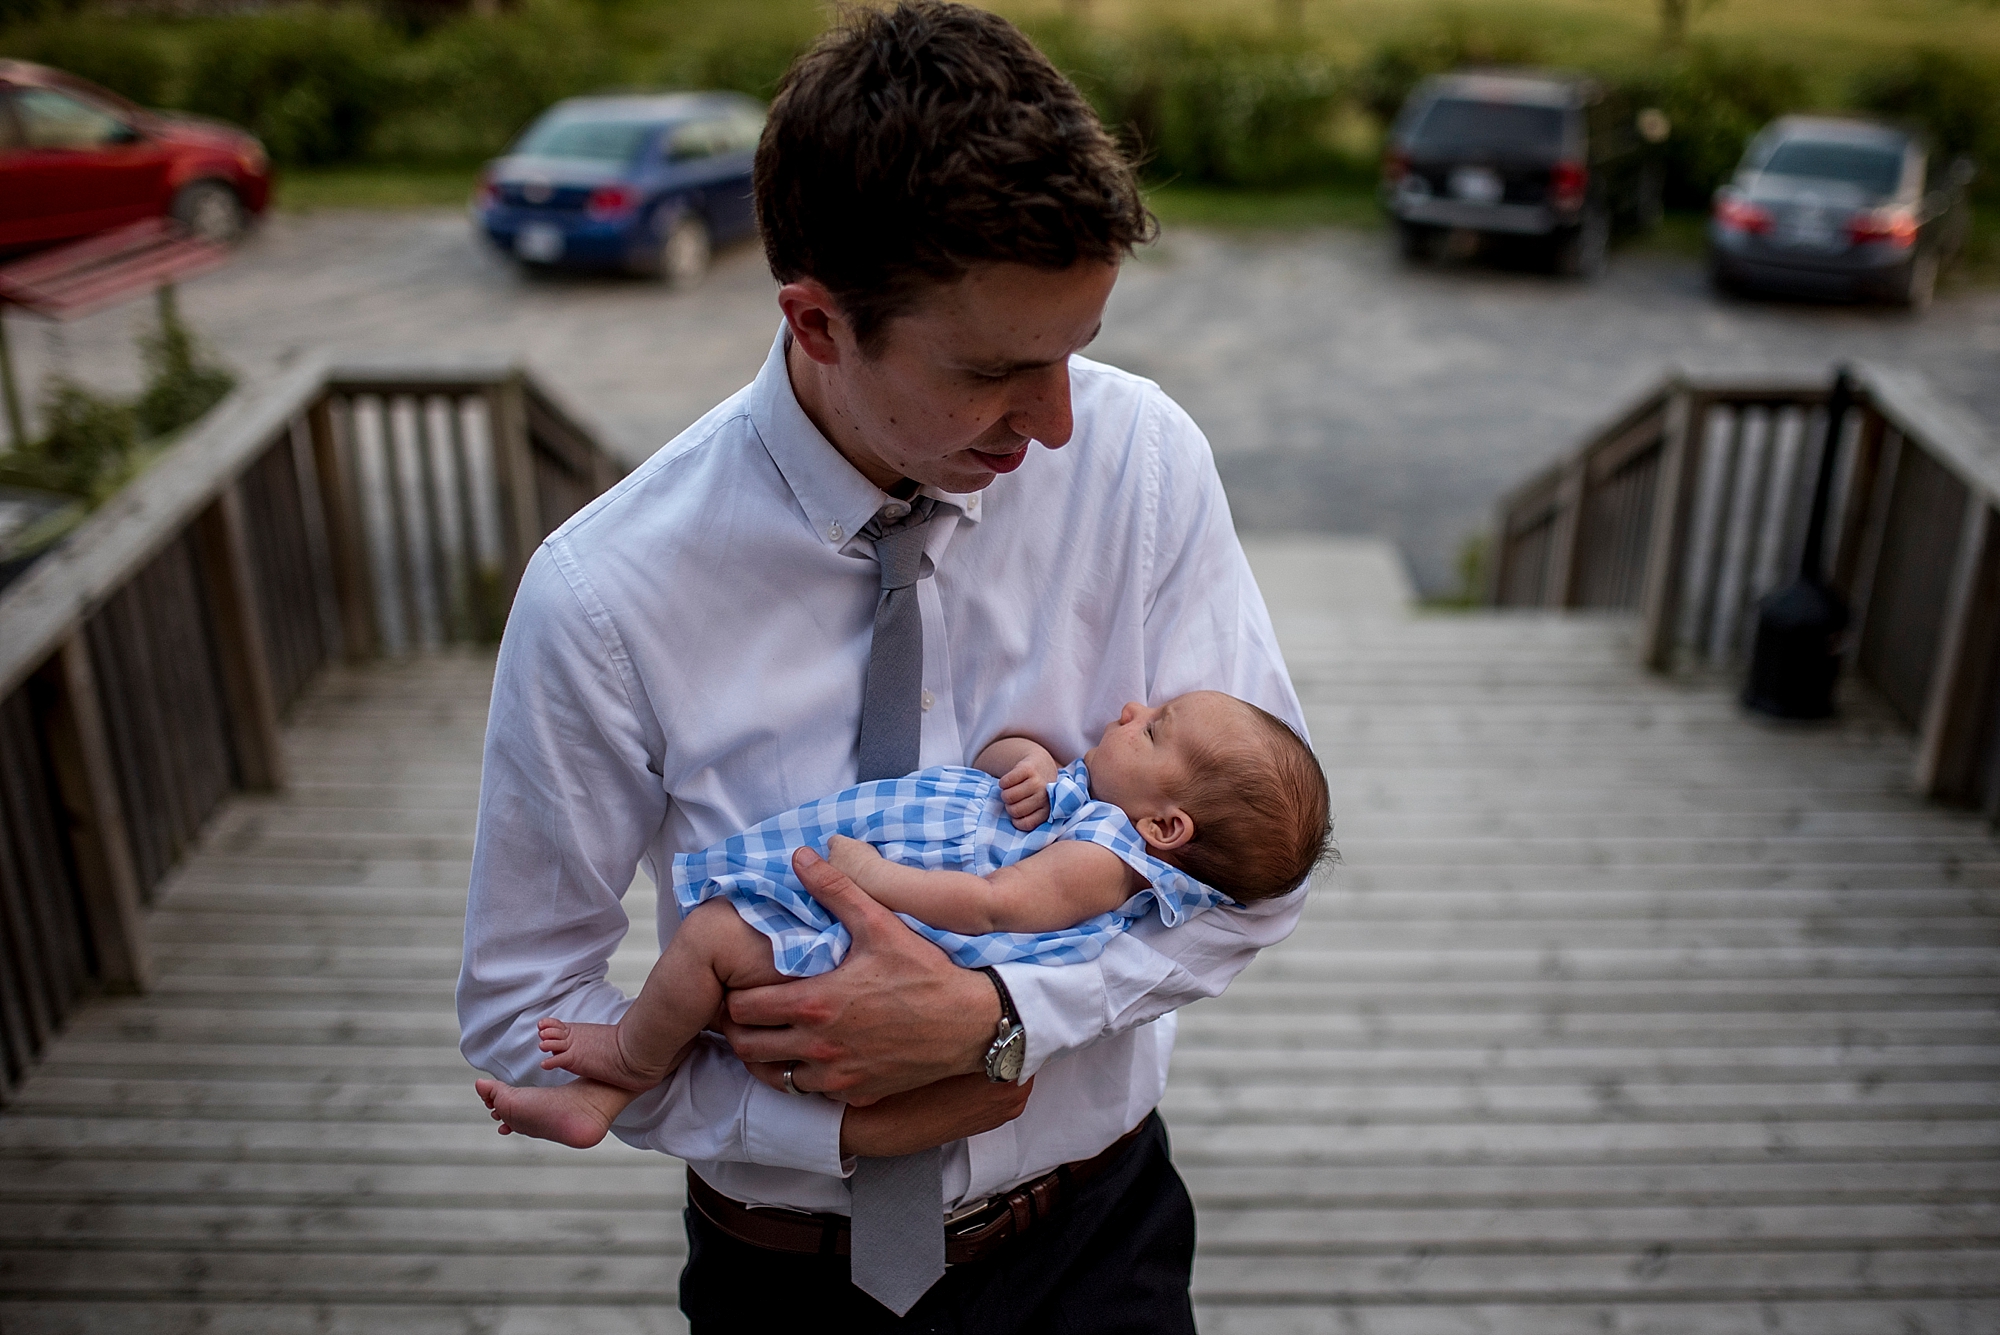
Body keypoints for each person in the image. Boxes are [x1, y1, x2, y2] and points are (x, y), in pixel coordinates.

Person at [454, 4, 1315, 1330]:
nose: (1059, 417)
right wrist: (817, 1118)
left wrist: (1004, 1014)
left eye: (1074, 350)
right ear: (817, 322)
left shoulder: (1141, 463)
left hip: (1099, 1241)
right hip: (779, 1282)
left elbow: (1254, 875)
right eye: (995, 371)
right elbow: (527, 1011)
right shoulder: (603, 592)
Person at [473, 691, 1332, 1150]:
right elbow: (998, 767)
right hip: (774, 1221)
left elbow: (1001, 903)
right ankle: (598, 1100)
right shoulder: (1099, 805)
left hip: (886, 935)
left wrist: (881, 877)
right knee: (724, 985)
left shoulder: (1106, 861)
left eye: (1155, 728)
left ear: (1168, 828)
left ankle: (625, 1054)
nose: (1130, 708)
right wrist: (1025, 763)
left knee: (713, 941)